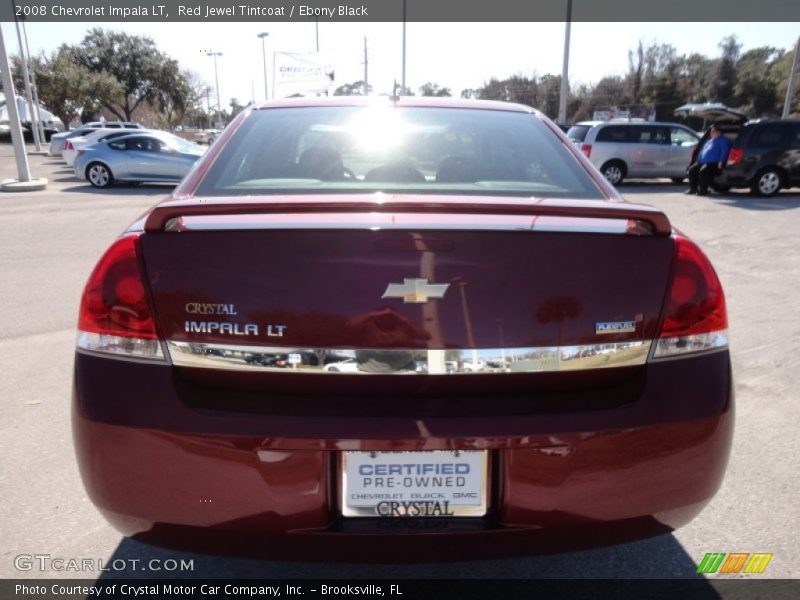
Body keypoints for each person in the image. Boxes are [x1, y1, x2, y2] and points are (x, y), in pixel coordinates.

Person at [686, 125, 731, 195]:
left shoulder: (723, 140)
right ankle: (693, 189)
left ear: (718, 133)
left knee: (703, 172)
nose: (711, 134)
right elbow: (703, 151)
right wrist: (698, 160)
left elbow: (724, 151)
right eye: (711, 132)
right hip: (703, 162)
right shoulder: (710, 141)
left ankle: (703, 190)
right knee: (692, 170)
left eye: (713, 132)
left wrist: (721, 161)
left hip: (714, 163)